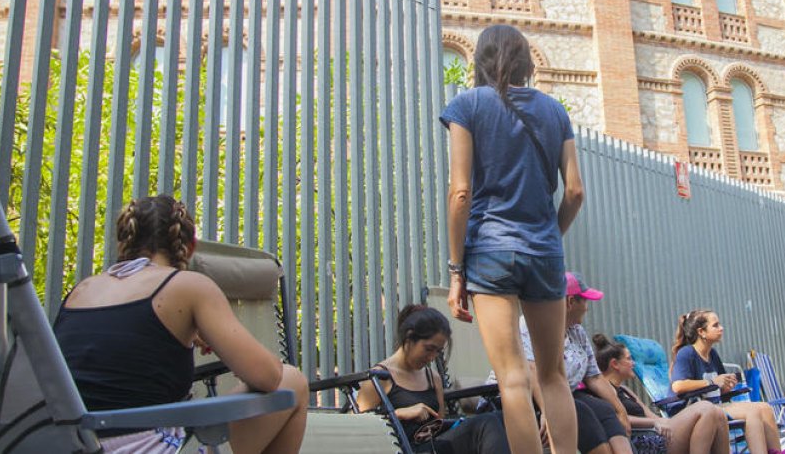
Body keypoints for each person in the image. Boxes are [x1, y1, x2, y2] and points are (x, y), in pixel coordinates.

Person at [53, 195, 308, 454]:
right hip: (148, 446)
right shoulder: (189, 285)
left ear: (124, 242)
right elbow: (268, 377)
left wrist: (184, 333)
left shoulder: (82, 289)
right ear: (190, 246)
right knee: (292, 380)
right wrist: (225, 347)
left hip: (72, 445)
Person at [441, 23, 584, 454]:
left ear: (479, 59)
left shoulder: (467, 105)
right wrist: (549, 237)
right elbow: (575, 191)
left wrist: (455, 269)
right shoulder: (555, 111)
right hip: (544, 253)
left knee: (512, 377)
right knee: (553, 374)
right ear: (525, 61)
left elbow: (460, 192)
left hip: (490, 250)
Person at [499, 272, 634, 454]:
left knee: (604, 409)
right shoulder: (529, 326)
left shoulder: (576, 332)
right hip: (528, 396)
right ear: (570, 302)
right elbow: (532, 371)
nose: (587, 308)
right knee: (579, 411)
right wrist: (548, 411)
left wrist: (620, 409)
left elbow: (594, 377)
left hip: (563, 394)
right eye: (584, 301)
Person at [356, 305, 510, 454]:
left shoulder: (432, 377)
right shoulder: (380, 377)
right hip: (402, 448)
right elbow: (354, 426)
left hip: (432, 445)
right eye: (428, 349)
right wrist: (399, 414)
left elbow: (439, 424)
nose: (431, 357)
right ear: (409, 337)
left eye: (437, 351)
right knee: (486, 423)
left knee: (499, 417)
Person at [594, 333, 730, 454]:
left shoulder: (625, 390)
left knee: (718, 414)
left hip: (657, 431)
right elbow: (617, 420)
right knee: (706, 409)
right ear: (615, 364)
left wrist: (665, 421)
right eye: (629, 359)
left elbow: (652, 415)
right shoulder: (604, 391)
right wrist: (654, 423)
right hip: (643, 440)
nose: (633, 363)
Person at [668, 310, 781, 454]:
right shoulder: (687, 353)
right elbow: (678, 386)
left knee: (765, 408)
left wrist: (727, 386)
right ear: (701, 332)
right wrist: (712, 381)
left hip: (715, 405)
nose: (721, 328)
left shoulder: (712, 354)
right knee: (752, 412)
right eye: (715, 325)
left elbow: (718, 387)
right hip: (692, 410)